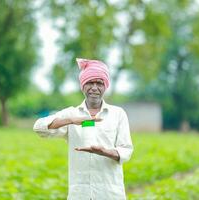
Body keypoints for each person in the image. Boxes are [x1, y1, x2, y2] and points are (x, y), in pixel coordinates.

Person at [33, 58, 133, 200]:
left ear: (105, 86)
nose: (94, 87)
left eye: (99, 83)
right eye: (90, 82)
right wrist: (71, 120)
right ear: (82, 85)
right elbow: (39, 128)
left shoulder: (117, 114)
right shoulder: (71, 113)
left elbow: (126, 150)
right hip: (80, 194)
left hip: (110, 193)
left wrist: (104, 152)